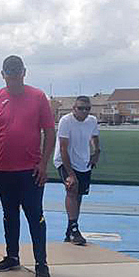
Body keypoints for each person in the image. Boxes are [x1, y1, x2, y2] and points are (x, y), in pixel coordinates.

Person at [0, 56, 55, 277]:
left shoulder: (38, 97)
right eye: (9, 74)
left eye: (17, 74)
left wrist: (44, 164)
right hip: (3, 171)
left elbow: (49, 132)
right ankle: (12, 256)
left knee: (35, 216)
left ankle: (41, 263)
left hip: (30, 171)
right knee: (9, 215)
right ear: (2, 74)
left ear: (24, 72)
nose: (13, 79)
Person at [53, 95, 100, 245]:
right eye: (80, 108)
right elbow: (63, 148)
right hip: (65, 161)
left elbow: (95, 137)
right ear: (74, 108)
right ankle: (74, 228)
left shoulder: (92, 121)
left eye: (87, 109)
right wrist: (71, 174)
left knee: (79, 195)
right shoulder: (66, 121)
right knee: (72, 189)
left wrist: (96, 152)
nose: (84, 111)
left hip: (83, 161)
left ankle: (69, 229)